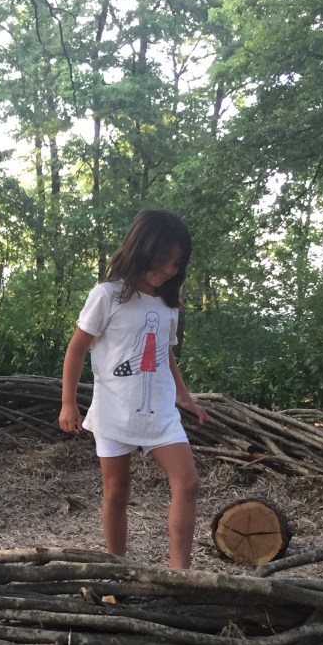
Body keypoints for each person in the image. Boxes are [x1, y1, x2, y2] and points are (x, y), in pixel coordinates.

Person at [59, 209, 208, 569]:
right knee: (117, 492)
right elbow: (76, 349)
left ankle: (180, 575)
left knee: (187, 483)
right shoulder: (107, 295)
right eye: (164, 260)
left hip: (160, 414)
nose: (170, 270)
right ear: (142, 249)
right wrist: (68, 403)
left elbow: (165, 355)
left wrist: (183, 395)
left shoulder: (168, 305)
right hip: (114, 411)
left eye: (177, 263)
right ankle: (118, 571)